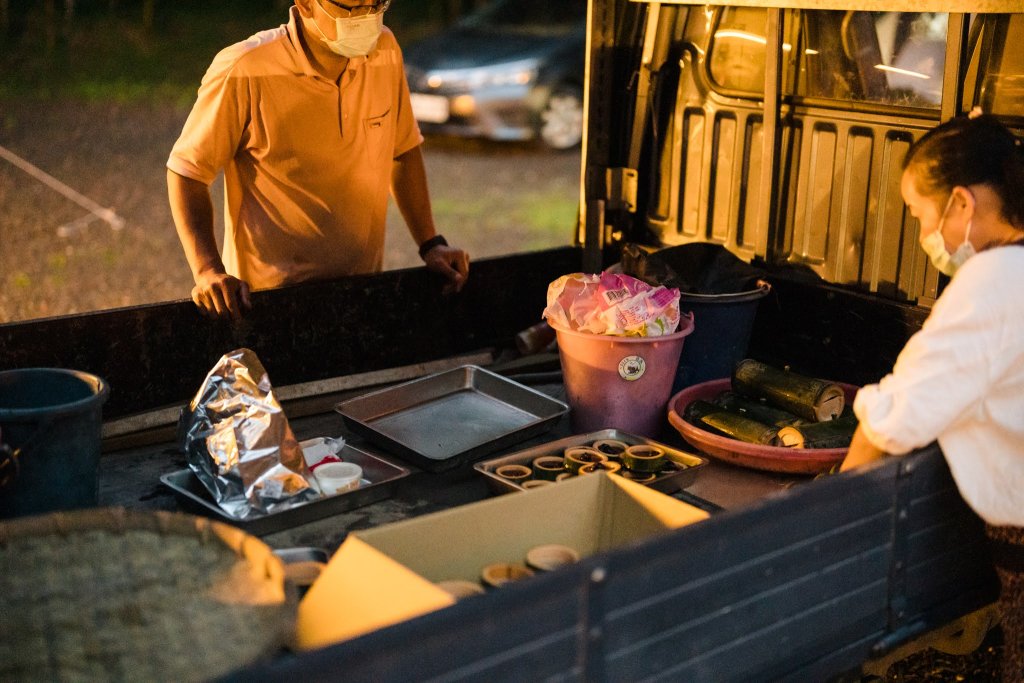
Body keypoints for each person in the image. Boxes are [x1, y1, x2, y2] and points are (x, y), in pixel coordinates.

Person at [840, 112, 1024, 682]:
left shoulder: (993, 283)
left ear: (962, 205)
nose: (926, 236)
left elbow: (897, 417)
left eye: (921, 214)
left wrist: (836, 507)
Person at [167, 0, 469, 320]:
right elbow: (188, 172)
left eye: (376, 5)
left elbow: (403, 150)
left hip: (359, 294)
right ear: (306, 5)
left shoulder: (385, 51)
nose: (366, 19)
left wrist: (430, 243)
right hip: (266, 303)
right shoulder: (245, 68)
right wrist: (208, 270)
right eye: (351, 8)